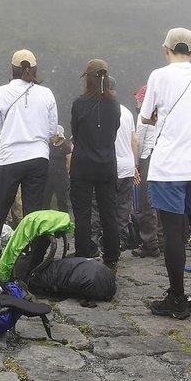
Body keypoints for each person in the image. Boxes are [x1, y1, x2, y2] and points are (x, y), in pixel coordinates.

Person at [141, 28, 191, 319]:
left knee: (174, 231)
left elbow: (147, 115)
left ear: (165, 49)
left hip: (169, 165)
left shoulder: (158, 76)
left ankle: (176, 298)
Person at [0, 49, 58, 257]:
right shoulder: (46, 94)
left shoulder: (0, 92)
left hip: (9, 158)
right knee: (33, 213)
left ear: (13, 69)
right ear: (34, 69)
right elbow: (52, 131)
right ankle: (33, 260)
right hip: (38, 158)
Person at [70, 59, 121, 271]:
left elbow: (75, 132)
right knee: (108, 211)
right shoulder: (115, 105)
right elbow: (115, 129)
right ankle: (111, 256)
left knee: (82, 213)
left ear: (87, 79)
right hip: (107, 164)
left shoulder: (79, 103)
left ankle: (83, 255)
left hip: (82, 164)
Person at [132, 85, 162, 258]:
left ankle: (150, 243)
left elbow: (138, 141)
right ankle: (161, 238)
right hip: (161, 157)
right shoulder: (161, 114)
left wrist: (136, 164)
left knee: (146, 201)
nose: (136, 100)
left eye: (138, 97)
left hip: (147, 157)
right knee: (160, 199)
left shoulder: (143, 115)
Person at [110, 76, 140, 252]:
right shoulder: (127, 112)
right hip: (127, 166)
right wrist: (135, 164)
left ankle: (107, 239)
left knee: (106, 205)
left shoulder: (103, 110)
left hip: (110, 166)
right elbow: (133, 141)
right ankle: (121, 239)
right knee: (123, 206)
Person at [43, 125, 71, 214]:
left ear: (59, 136)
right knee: (45, 199)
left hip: (61, 177)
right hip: (49, 176)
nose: (52, 138)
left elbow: (69, 161)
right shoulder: (50, 146)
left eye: (54, 136)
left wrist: (67, 172)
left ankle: (64, 220)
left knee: (61, 201)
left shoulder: (66, 147)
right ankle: (46, 220)